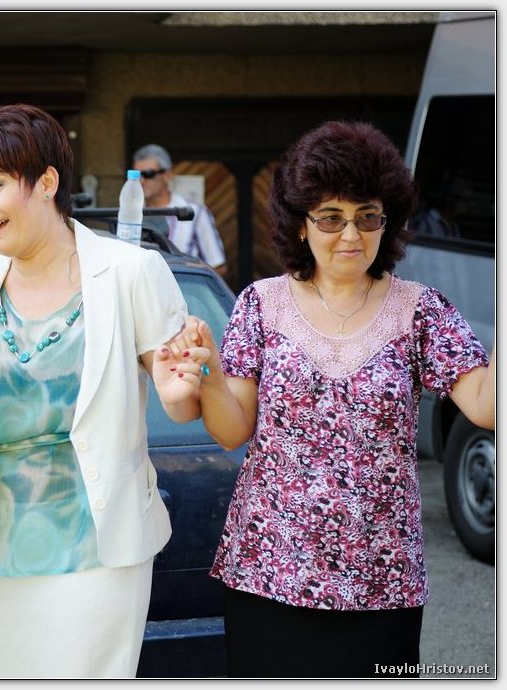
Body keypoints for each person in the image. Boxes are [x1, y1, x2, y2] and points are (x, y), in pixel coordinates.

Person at [159, 121, 495, 678]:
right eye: (331, 217)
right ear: (300, 223)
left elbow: (485, 405)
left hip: (382, 577)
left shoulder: (420, 310)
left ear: (387, 222)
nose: (351, 234)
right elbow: (232, 429)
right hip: (269, 569)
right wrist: (210, 376)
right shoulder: (260, 305)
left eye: (368, 216)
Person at [0, 104, 190, 678]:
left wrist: (182, 384)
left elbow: (178, 402)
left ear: (48, 182)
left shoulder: (131, 271)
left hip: (95, 551)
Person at [132, 143, 228, 277]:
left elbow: (217, 266)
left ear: (167, 175)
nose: (141, 181)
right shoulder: (131, 214)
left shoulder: (194, 212)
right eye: (136, 175)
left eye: (148, 174)